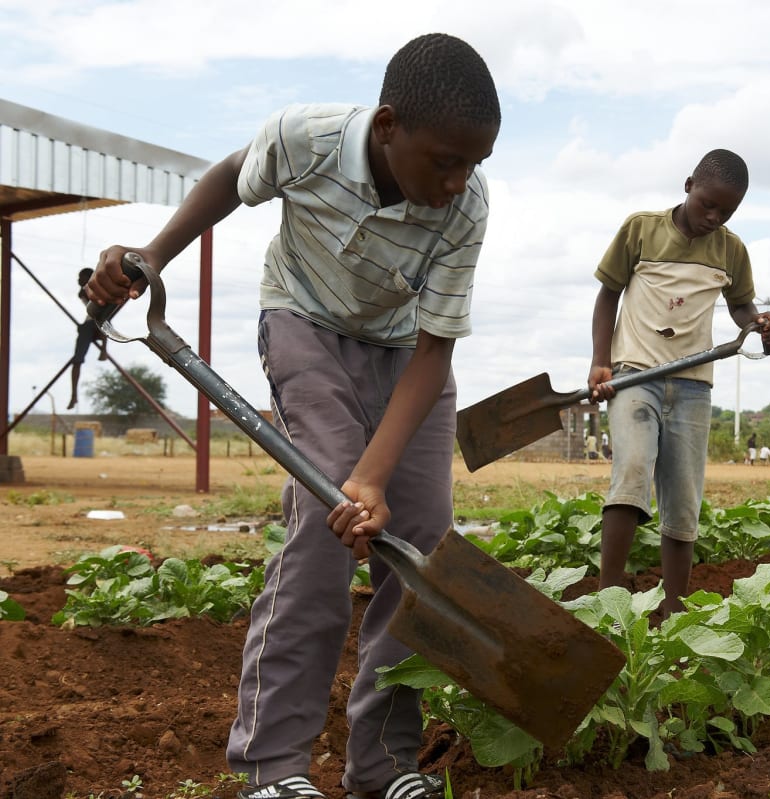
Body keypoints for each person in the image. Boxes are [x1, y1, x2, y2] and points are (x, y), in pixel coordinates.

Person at [86, 34, 501, 799]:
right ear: (387, 126)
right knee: (327, 515)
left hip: (408, 357)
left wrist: (379, 475)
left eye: (473, 164)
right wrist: (155, 254)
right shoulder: (306, 137)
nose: (457, 181)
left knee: (420, 540)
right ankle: (273, 765)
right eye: (445, 161)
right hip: (305, 325)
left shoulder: (466, 206)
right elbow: (231, 176)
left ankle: (384, 764)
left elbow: (436, 349)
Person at [587, 149, 770, 616]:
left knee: (683, 497)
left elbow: (740, 306)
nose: (714, 218)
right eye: (707, 204)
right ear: (689, 185)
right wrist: (600, 363)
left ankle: (675, 615)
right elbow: (608, 294)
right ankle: (606, 602)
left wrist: (759, 324)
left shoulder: (731, 249)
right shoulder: (641, 229)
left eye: (726, 212)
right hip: (636, 375)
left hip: (693, 385)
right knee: (633, 470)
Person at [67, 268, 107, 410]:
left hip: (98, 323)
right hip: (90, 324)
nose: (78, 280)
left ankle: (104, 350)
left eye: (81, 277)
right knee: (77, 360)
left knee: (104, 324)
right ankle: (74, 395)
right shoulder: (83, 292)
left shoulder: (97, 288)